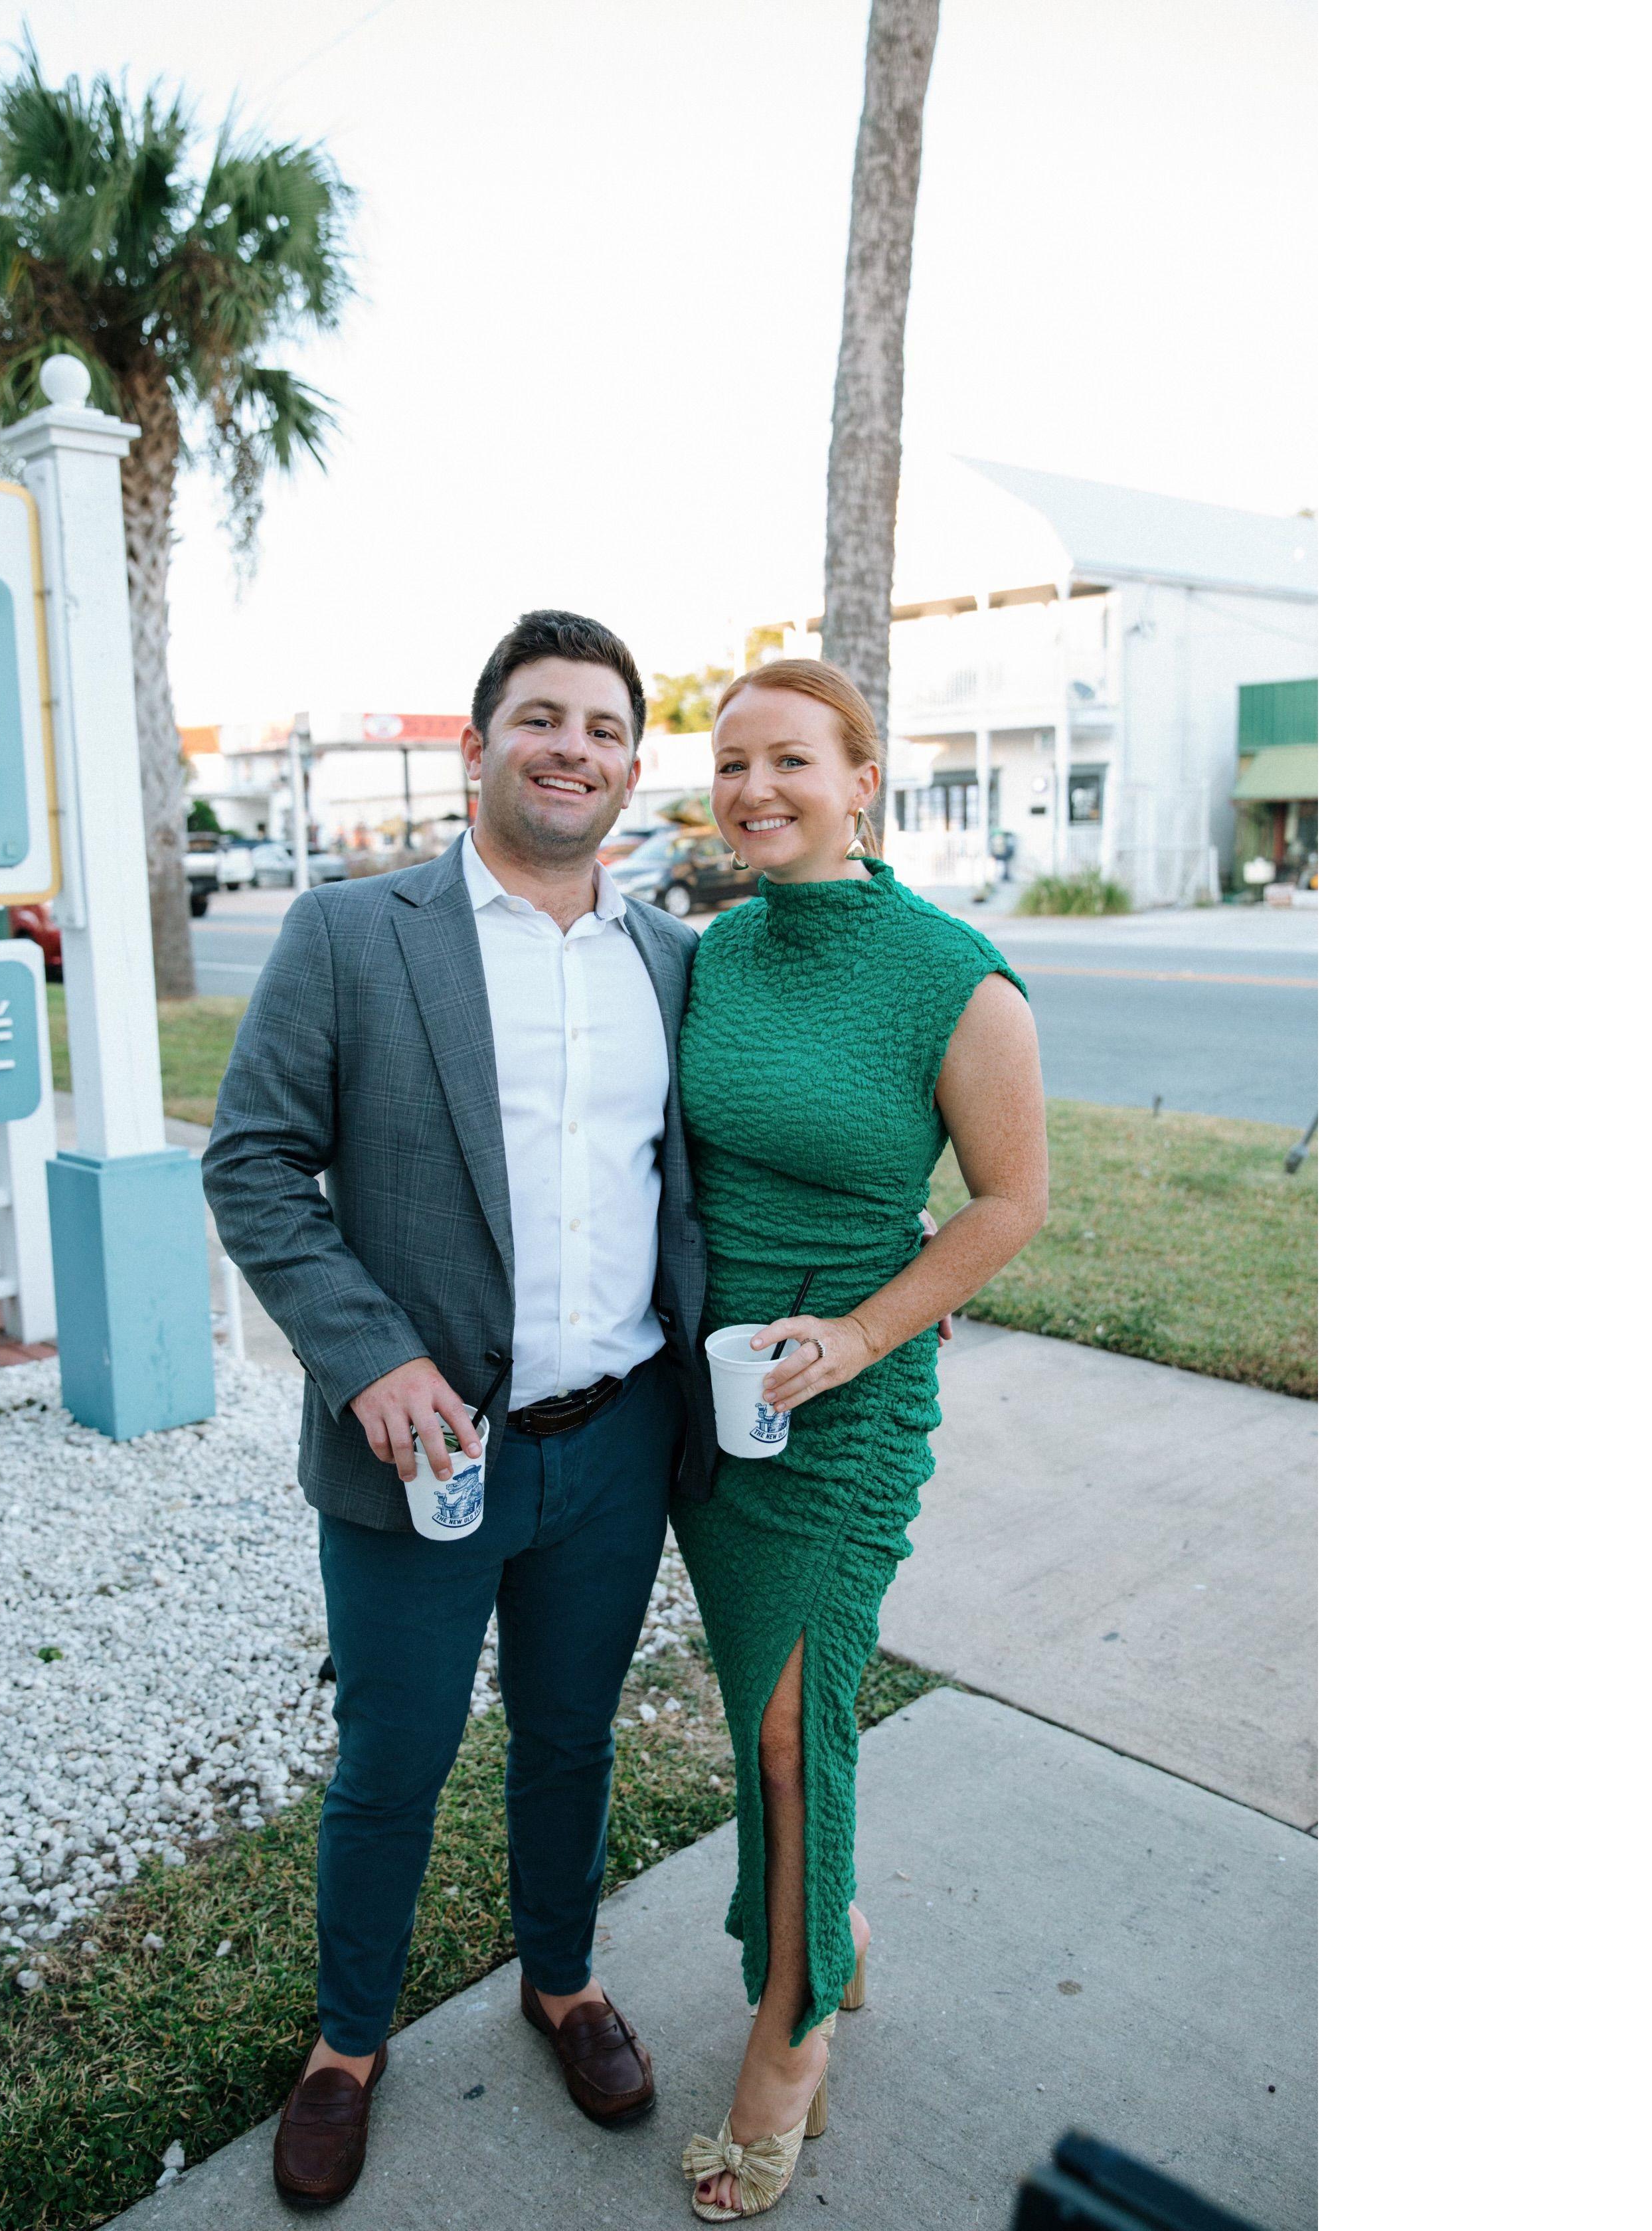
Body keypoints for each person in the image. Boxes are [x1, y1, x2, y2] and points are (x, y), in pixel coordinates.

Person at [201, 610, 714, 2210]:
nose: (575, 749)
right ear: (482, 744)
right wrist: (368, 1356)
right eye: (543, 718)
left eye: (606, 728)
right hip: (423, 1449)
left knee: (569, 1739)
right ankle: (347, 2043)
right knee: (394, 1758)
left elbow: (723, 1170)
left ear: (631, 767)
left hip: (614, 1442)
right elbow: (254, 1163)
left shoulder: (673, 962)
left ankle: (562, 1980)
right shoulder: (353, 933)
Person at [671, 659, 1050, 2220]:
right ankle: (830, 1937)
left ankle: (791, 2039)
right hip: (719, 1409)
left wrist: (866, 1334)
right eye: (732, 765)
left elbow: (1011, 1203)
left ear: (861, 782)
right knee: (763, 1717)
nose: (756, 790)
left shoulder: (954, 978)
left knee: (790, 1728)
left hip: (847, 1408)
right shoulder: (715, 953)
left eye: (791, 762)